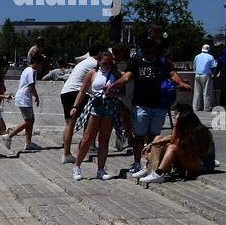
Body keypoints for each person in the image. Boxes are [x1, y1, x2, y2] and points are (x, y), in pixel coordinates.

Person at [115, 38, 190, 179]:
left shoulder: (162, 62)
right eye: (147, 52)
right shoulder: (136, 63)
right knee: (139, 136)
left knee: (154, 137)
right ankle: (137, 163)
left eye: (152, 52)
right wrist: (114, 86)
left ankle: (149, 164)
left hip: (159, 105)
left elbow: (172, 74)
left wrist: (180, 83)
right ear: (141, 51)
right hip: (141, 105)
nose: (150, 55)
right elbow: (127, 77)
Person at [71, 51, 121, 181]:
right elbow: (83, 90)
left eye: (110, 62)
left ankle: (101, 169)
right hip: (95, 106)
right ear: (99, 62)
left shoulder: (116, 74)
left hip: (109, 107)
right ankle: (77, 166)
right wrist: (75, 106)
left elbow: (122, 92)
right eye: (105, 63)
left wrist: (111, 92)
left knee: (104, 140)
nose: (108, 65)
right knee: (87, 138)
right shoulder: (92, 73)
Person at [138, 104, 216, 185]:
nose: (174, 117)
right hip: (192, 159)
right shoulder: (187, 129)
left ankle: (159, 173)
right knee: (159, 138)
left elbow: (174, 143)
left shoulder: (201, 132)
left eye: (176, 115)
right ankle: (150, 169)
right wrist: (154, 143)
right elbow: (173, 139)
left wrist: (175, 126)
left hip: (203, 165)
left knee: (172, 147)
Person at [59, 48, 100, 163]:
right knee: (90, 120)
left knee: (69, 124)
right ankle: (87, 147)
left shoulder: (84, 62)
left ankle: (66, 154)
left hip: (66, 91)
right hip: (78, 92)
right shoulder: (95, 63)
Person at [3, 54, 44, 152]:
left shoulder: (28, 70)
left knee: (31, 120)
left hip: (25, 98)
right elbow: (31, 86)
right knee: (28, 121)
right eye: (41, 64)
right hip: (24, 98)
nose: (42, 66)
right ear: (37, 63)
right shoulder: (31, 71)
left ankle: (28, 142)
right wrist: (37, 97)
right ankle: (9, 136)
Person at [193, 44, 217, 112]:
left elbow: (194, 67)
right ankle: (207, 108)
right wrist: (214, 75)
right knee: (206, 92)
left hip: (197, 75)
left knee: (197, 92)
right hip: (206, 75)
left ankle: (196, 107)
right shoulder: (210, 57)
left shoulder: (197, 56)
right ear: (208, 49)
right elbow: (213, 67)